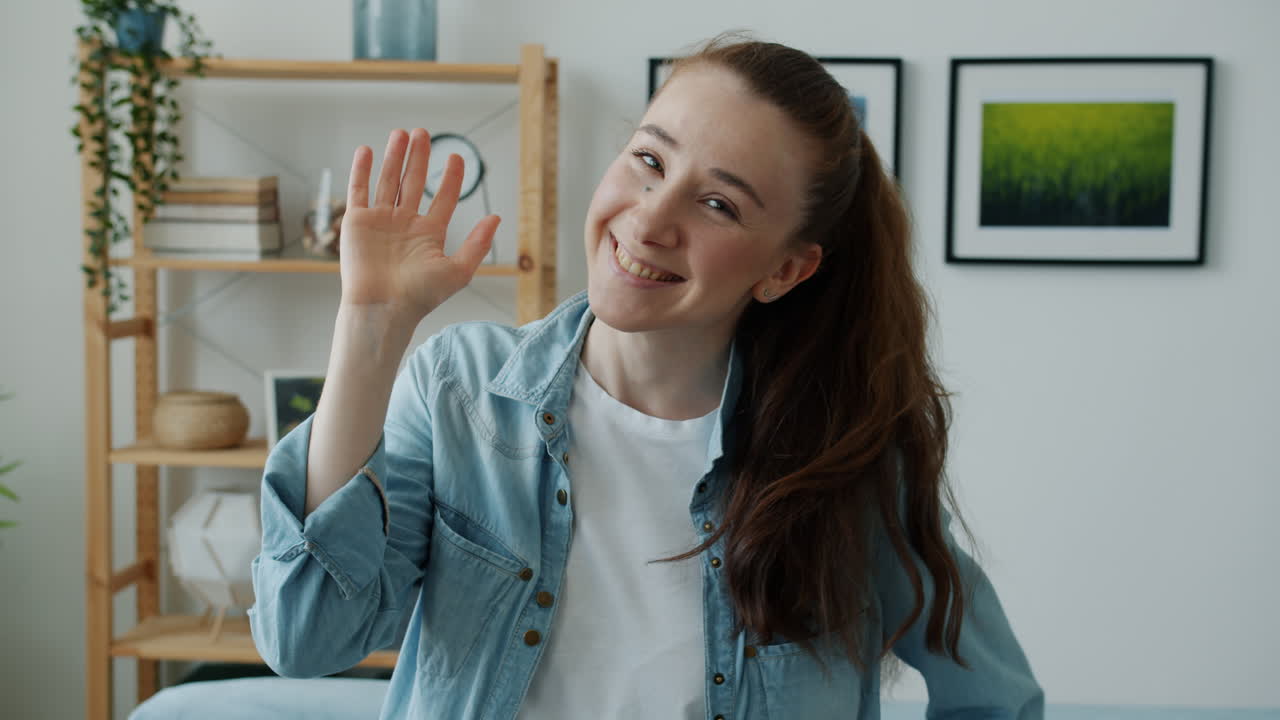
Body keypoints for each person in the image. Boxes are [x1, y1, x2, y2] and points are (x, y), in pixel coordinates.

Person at [249, 32, 1044, 719]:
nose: (651, 220)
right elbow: (305, 638)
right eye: (648, 160)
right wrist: (369, 327)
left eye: (719, 206)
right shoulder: (461, 390)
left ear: (786, 270)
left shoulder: (845, 456)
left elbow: (997, 697)